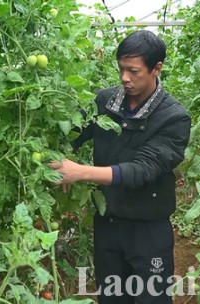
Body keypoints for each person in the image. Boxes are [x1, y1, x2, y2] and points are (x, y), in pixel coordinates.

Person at [49, 30, 192, 303]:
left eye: (133, 71)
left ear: (156, 68)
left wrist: (80, 172)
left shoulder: (174, 117)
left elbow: (143, 169)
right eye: (121, 69)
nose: (125, 78)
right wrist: (60, 154)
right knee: (112, 298)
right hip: (109, 222)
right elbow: (72, 133)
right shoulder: (105, 101)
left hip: (148, 229)